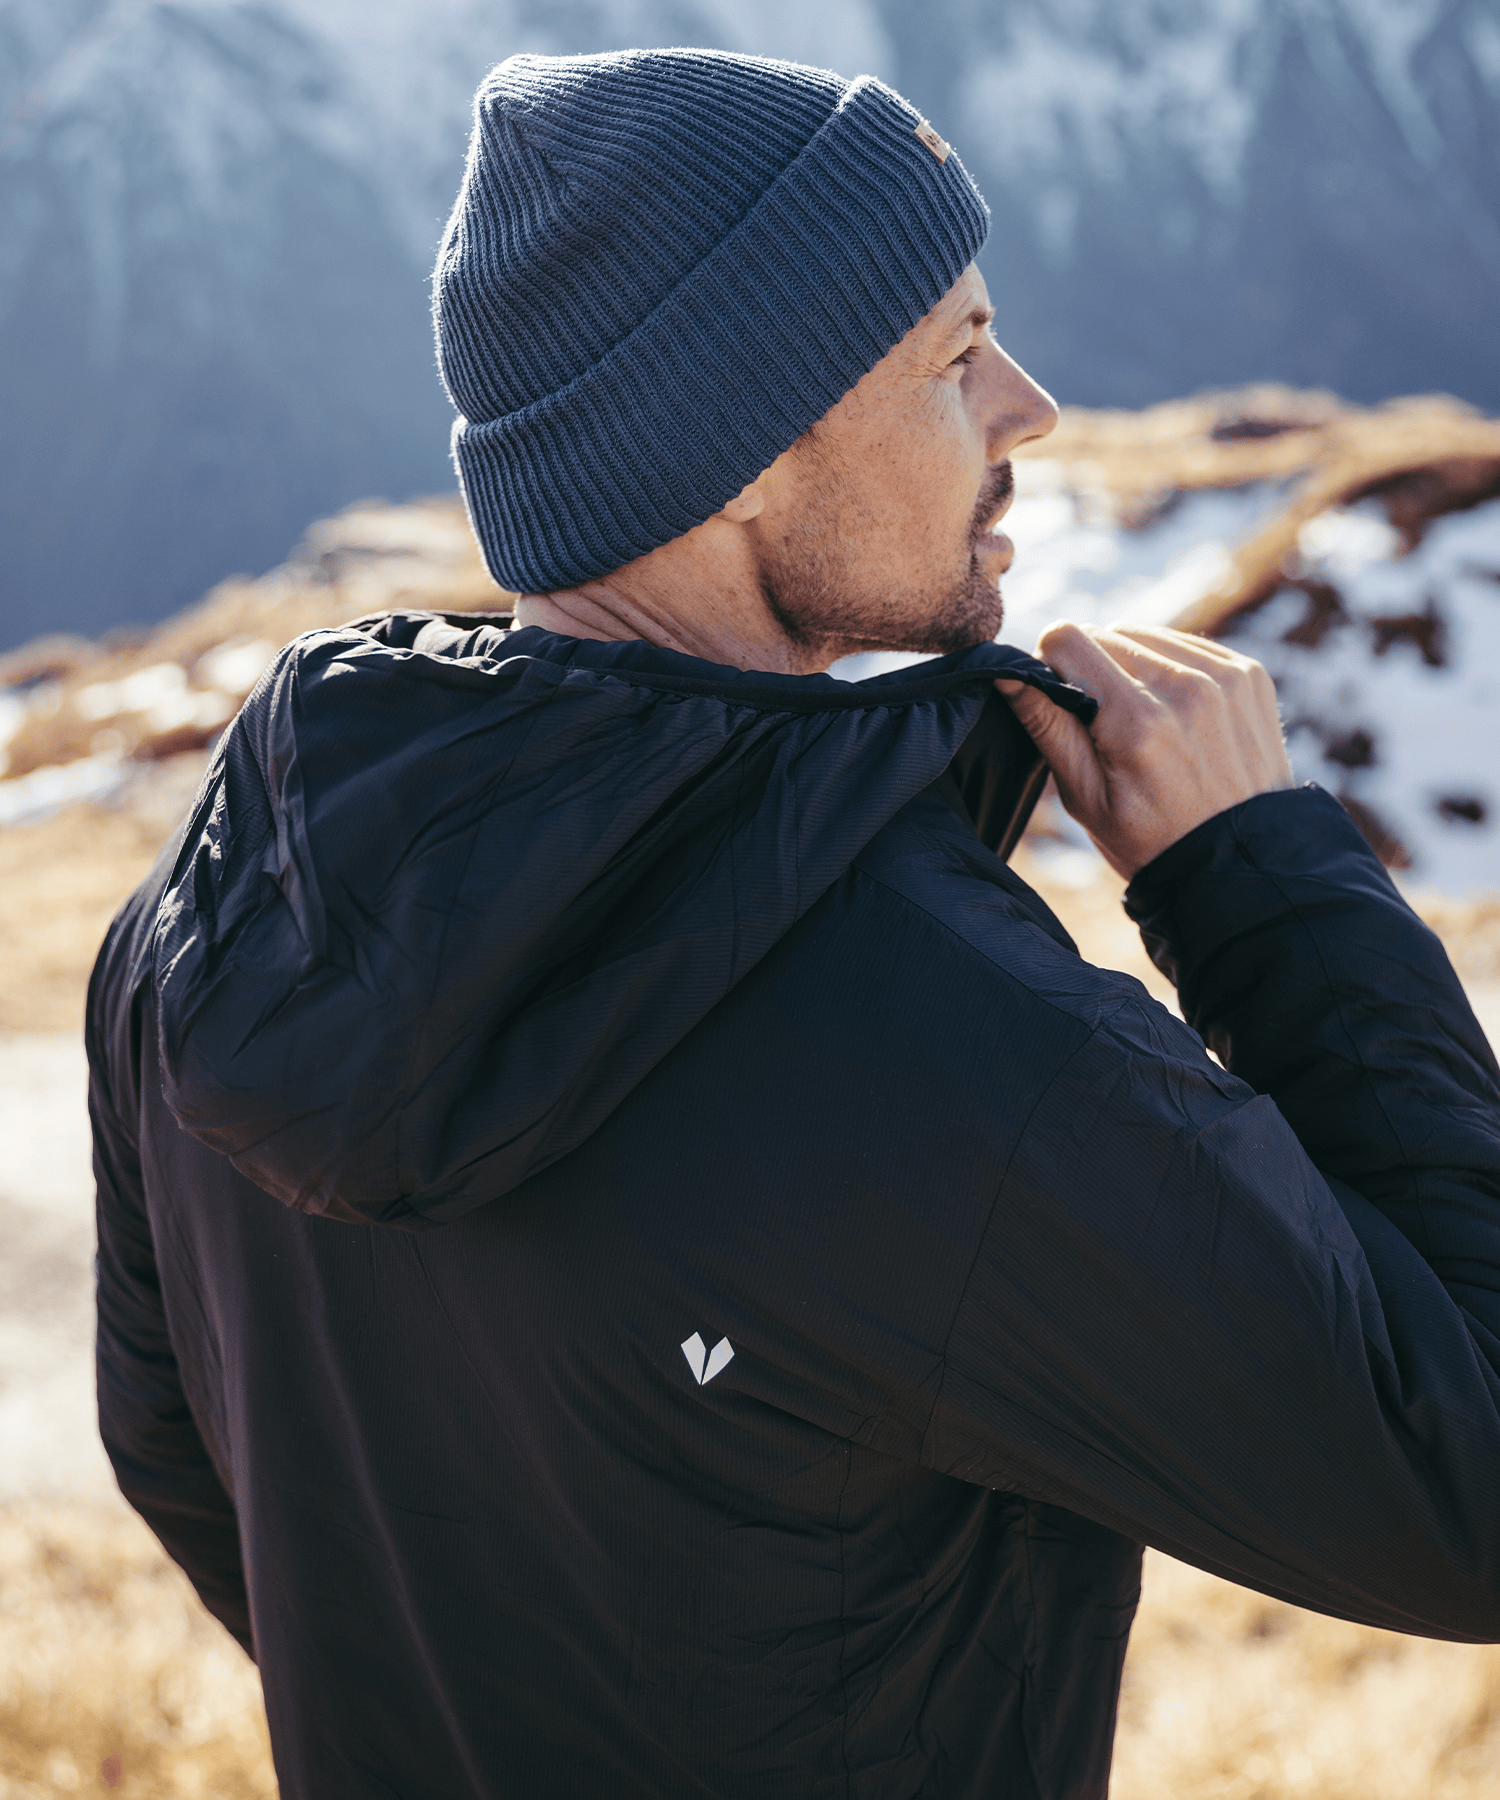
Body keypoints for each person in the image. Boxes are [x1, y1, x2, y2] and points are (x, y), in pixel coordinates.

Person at [88, 47, 1500, 1800]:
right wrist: (1264, 876)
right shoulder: (947, 1043)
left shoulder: (207, 931)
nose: (1031, 409)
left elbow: (177, 1454)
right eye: (956, 359)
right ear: (742, 454)